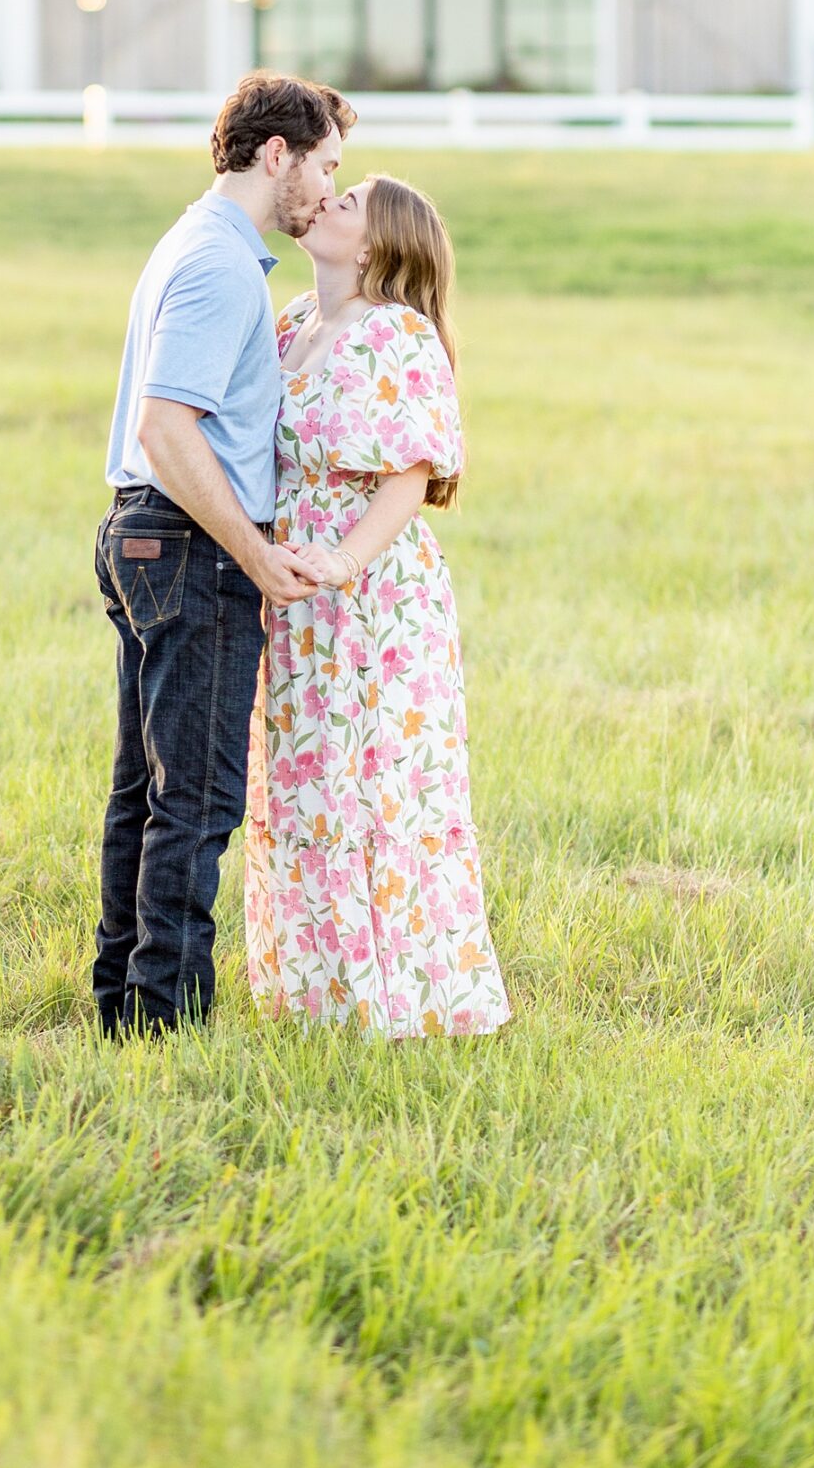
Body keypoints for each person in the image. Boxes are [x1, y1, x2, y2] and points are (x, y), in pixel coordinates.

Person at [93, 71, 356, 1035]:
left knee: (150, 795)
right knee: (194, 802)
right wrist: (250, 553)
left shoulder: (198, 243)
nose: (330, 190)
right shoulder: (215, 263)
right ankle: (165, 1025)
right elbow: (169, 428)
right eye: (325, 164)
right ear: (275, 153)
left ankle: (124, 1011)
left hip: (149, 536)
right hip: (188, 549)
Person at [245, 174, 510, 1038]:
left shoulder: (395, 334)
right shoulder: (290, 323)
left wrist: (344, 561)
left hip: (372, 591)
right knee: (301, 781)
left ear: (375, 246)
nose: (323, 199)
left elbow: (412, 473)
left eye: (347, 200)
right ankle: (313, 995)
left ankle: (399, 1000)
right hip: (288, 586)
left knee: (374, 785)